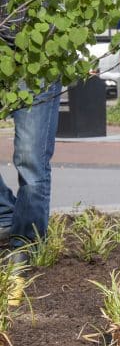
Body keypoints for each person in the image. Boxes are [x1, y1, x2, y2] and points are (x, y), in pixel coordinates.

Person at [0, 81, 62, 259]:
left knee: (30, 157)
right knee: (30, 158)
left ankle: (26, 242)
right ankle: (4, 214)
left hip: (37, 66)